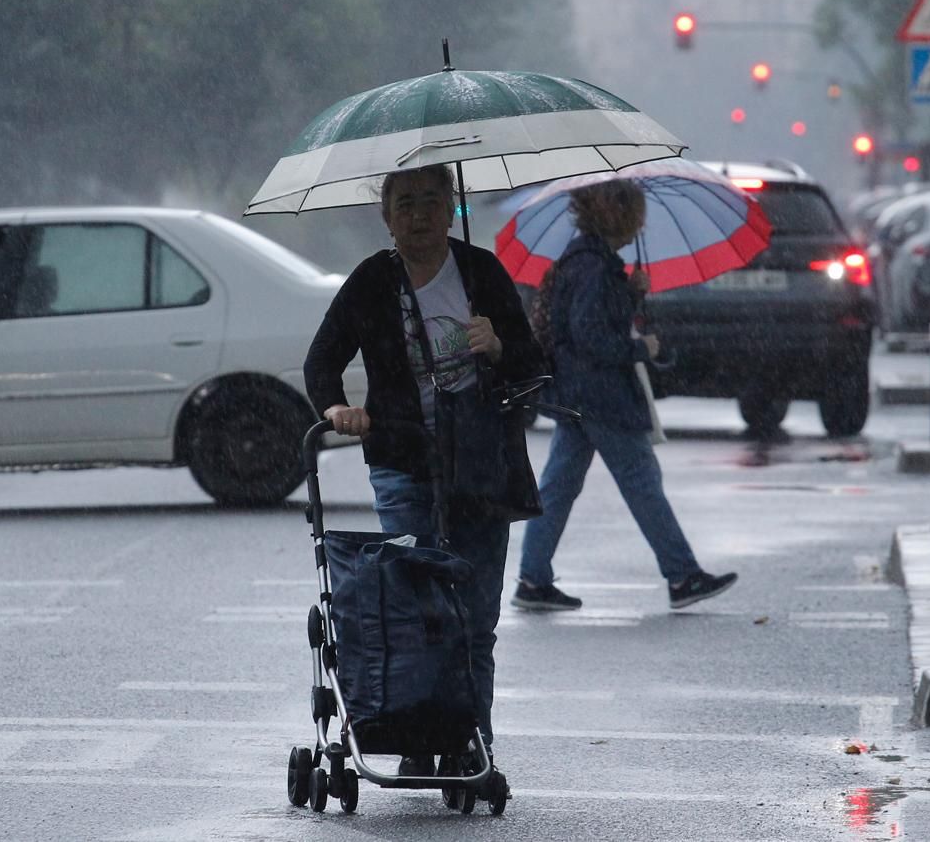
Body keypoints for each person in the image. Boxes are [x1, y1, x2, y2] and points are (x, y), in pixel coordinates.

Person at [304, 163, 544, 775]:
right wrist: (336, 409)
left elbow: (533, 366)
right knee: (416, 611)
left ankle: (473, 745)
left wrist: (499, 346)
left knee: (476, 618)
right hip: (403, 463)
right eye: (405, 203)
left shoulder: (481, 272)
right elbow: (322, 359)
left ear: (451, 208)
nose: (419, 215)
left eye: (432, 201)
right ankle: (418, 740)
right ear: (387, 216)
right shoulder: (372, 281)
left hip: (482, 465)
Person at [512, 179, 737, 612]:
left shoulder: (586, 262)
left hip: (576, 393)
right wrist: (640, 348)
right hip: (602, 396)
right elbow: (590, 336)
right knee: (641, 482)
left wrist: (630, 293)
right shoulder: (595, 268)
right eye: (636, 213)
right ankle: (683, 575)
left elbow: (587, 322)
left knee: (559, 487)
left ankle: (533, 579)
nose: (641, 223)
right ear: (618, 214)